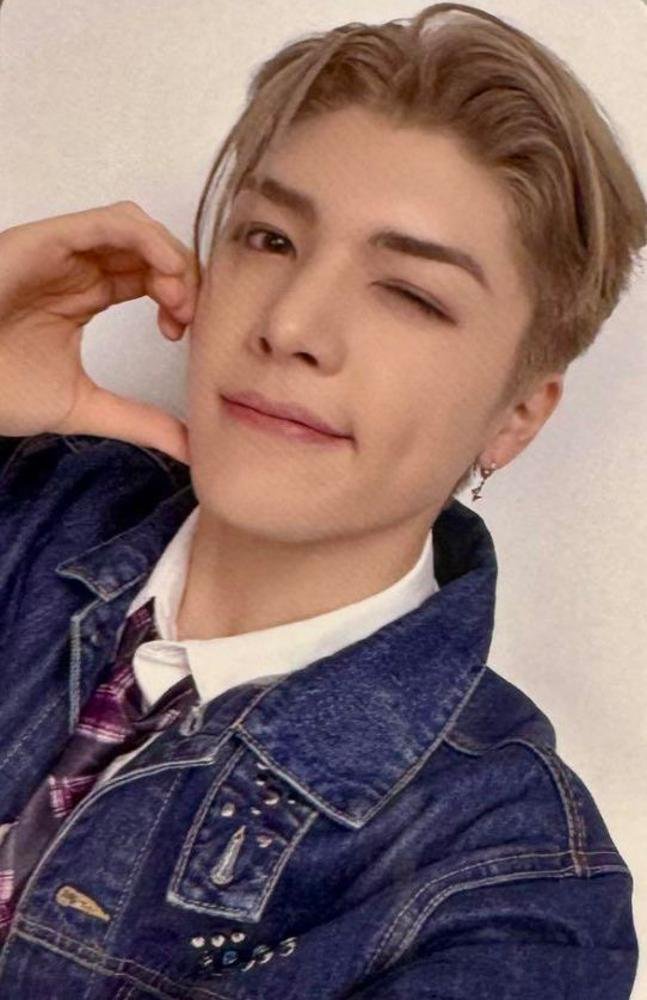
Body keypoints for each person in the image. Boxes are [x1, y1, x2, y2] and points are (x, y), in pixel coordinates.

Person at [0, 2, 644, 996]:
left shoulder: (512, 885)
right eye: (269, 238)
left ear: (515, 416)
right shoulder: (29, 503)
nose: (291, 323)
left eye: (411, 294)